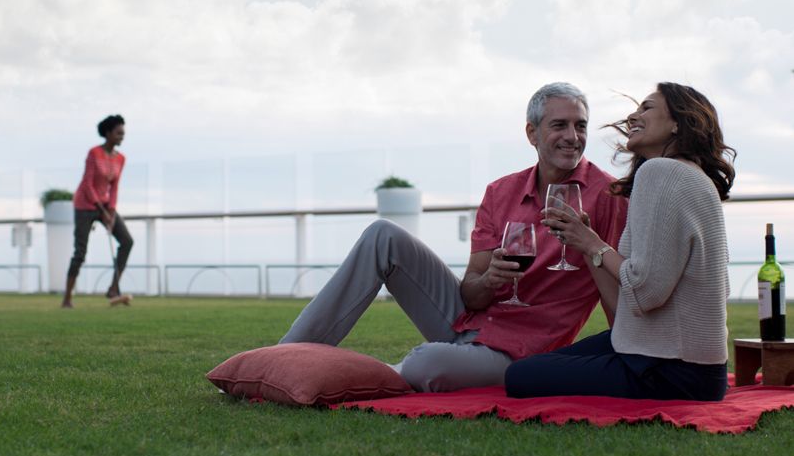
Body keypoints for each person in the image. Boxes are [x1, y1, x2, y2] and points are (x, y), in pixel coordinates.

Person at [280, 82, 628, 391]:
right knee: (381, 234)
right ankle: (283, 359)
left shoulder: (608, 196)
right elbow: (471, 294)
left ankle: (344, 377)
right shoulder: (501, 192)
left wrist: (627, 356)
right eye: (559, 125)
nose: (573, 136)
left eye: (580, 126)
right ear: (532, 133)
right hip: (470, 321)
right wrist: (490, 279)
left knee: (424, 364)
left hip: (522, 351)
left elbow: (618, 290)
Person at [504, 83, 735, 402]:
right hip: (684, 362)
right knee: (537, 367)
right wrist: (588, 244)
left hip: (672, 370)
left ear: (678, 123)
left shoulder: (661, 172)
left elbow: (646, 292)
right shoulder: (691, 175)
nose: (633, 115)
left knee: (520, 376)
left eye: (647, 108)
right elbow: (631, 302)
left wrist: (593, 244)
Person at [61, 115, 134, 309]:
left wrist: (111, 210)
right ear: (108, 133)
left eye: (123, 133)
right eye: (118, 133)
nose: (122, 137)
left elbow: (115, 187)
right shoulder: (94, 153)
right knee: (80, 252)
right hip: (85, 205)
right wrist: (101, 209)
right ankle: (67, 298)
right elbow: (87, 183)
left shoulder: (120, 159)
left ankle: (113, 288)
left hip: (105, 205)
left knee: (126, 241)